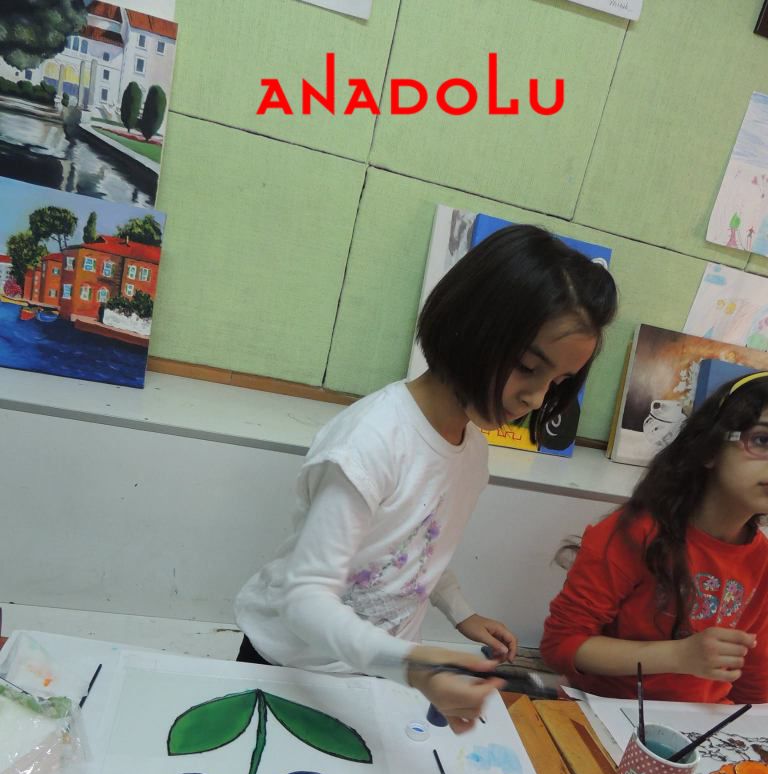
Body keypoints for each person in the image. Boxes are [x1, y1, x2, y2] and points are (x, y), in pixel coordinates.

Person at [235, 224, 617, 731]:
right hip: (287, 669)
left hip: (372, 676)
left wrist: (460, 612)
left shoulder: (472, 449)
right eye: (528, 367)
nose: (536, 398)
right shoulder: (371, 441)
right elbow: (303, 600)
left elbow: (417, 548)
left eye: (558, 382)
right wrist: (413, 666)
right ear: (471, 326)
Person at [541, 372, 768, 704]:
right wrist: (678, 655)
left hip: (703, 722)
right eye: (762, 441)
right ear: (710, 449)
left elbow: (754, 677)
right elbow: (560, 646)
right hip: (613, 714)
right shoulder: (635, 533)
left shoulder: (761, 560)